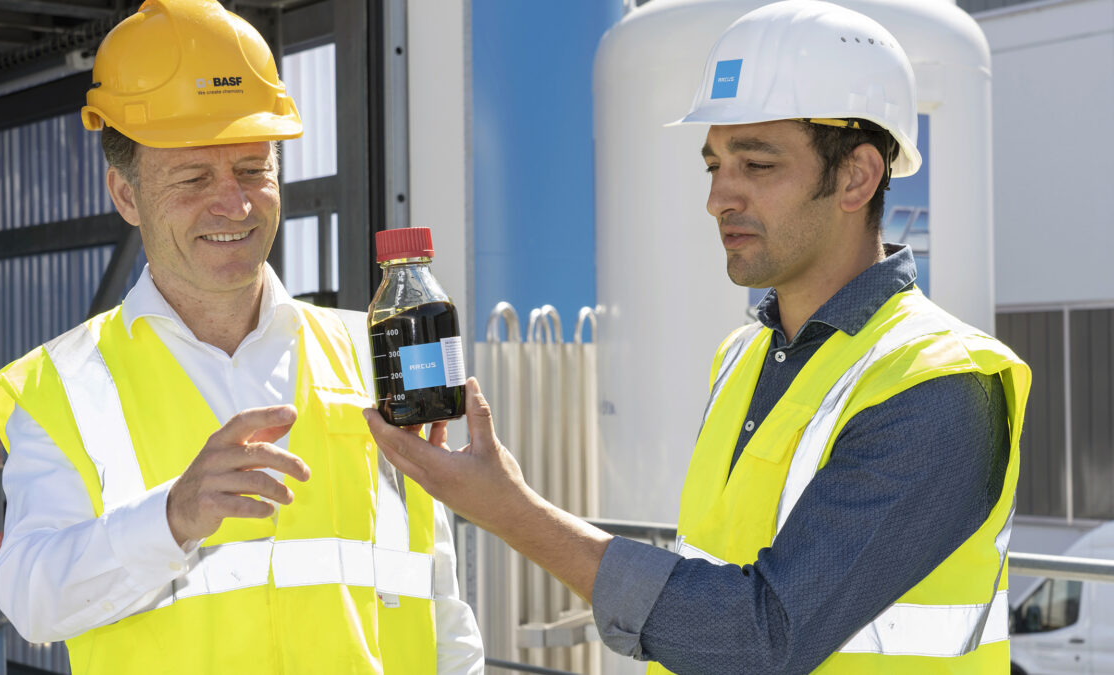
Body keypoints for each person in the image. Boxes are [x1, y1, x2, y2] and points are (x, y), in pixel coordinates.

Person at [364, 1, 1029, 673]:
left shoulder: (943, 384)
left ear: (857, 176)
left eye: (758, 165)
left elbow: (759, 638)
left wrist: (511, 510)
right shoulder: (742, 357)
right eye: (714, 165)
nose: (719, 197)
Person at [0, 0, 483, 672]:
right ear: (125, 195)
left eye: (253, 170)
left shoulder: (369, 354)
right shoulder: (63, 386)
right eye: (193, 178)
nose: (234, 204)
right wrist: (172, 517)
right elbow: (30, 598)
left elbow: (438, 600)